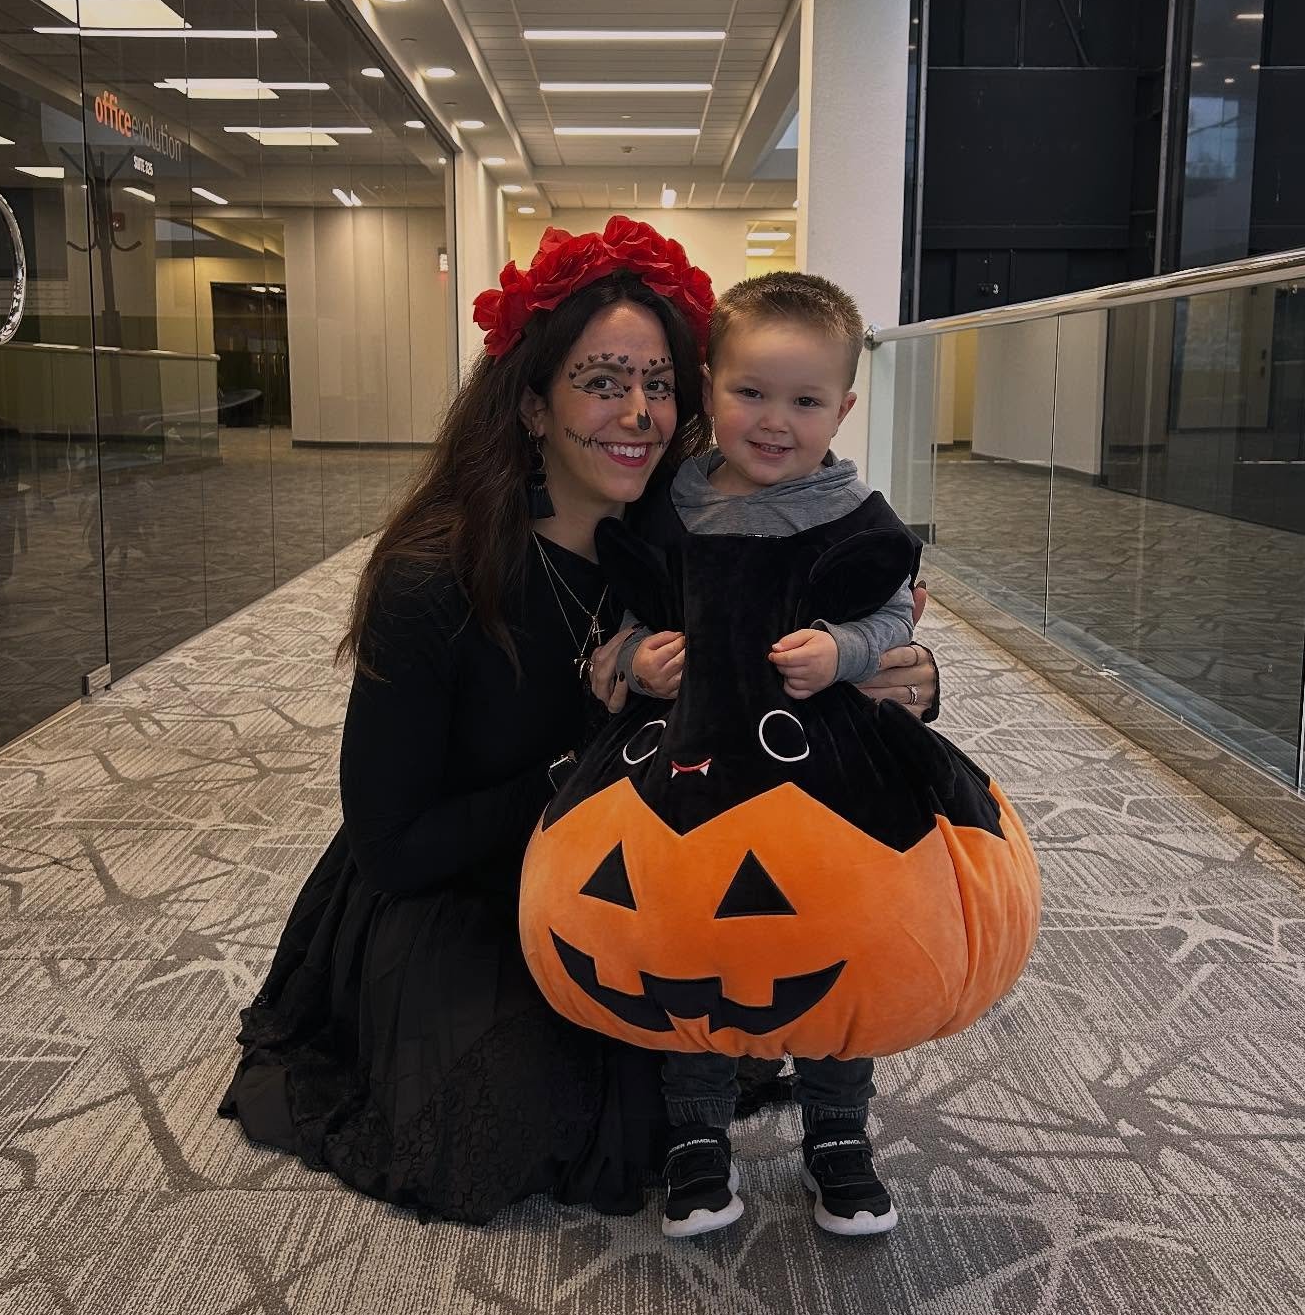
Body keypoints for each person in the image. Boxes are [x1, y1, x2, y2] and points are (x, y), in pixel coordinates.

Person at [220, 219, 940, 1226]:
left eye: (658, 384)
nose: (639, 414)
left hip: (645, 870)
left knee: (702, 1039)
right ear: (532, 402)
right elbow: (393, 844)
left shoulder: (690, 532)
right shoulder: (436, 578)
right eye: (603, 380)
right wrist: (573, 775)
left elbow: (811, 653)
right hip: (459, 878)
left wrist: (898, 678)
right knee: (520, 1107)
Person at [608, 272, 916, 1241]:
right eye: (750, 393)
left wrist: (847, 652)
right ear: (709, 388)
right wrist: (628, 662)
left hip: (819, 778)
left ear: (844, 408)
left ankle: (837, 1133)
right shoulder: (675, 507)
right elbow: (623, 613)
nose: (774, 421)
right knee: (694, 953)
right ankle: (697, 1136)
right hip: (695, 772)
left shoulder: (854, 515)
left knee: (828, 957)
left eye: (805, 400)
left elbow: (895, 610)